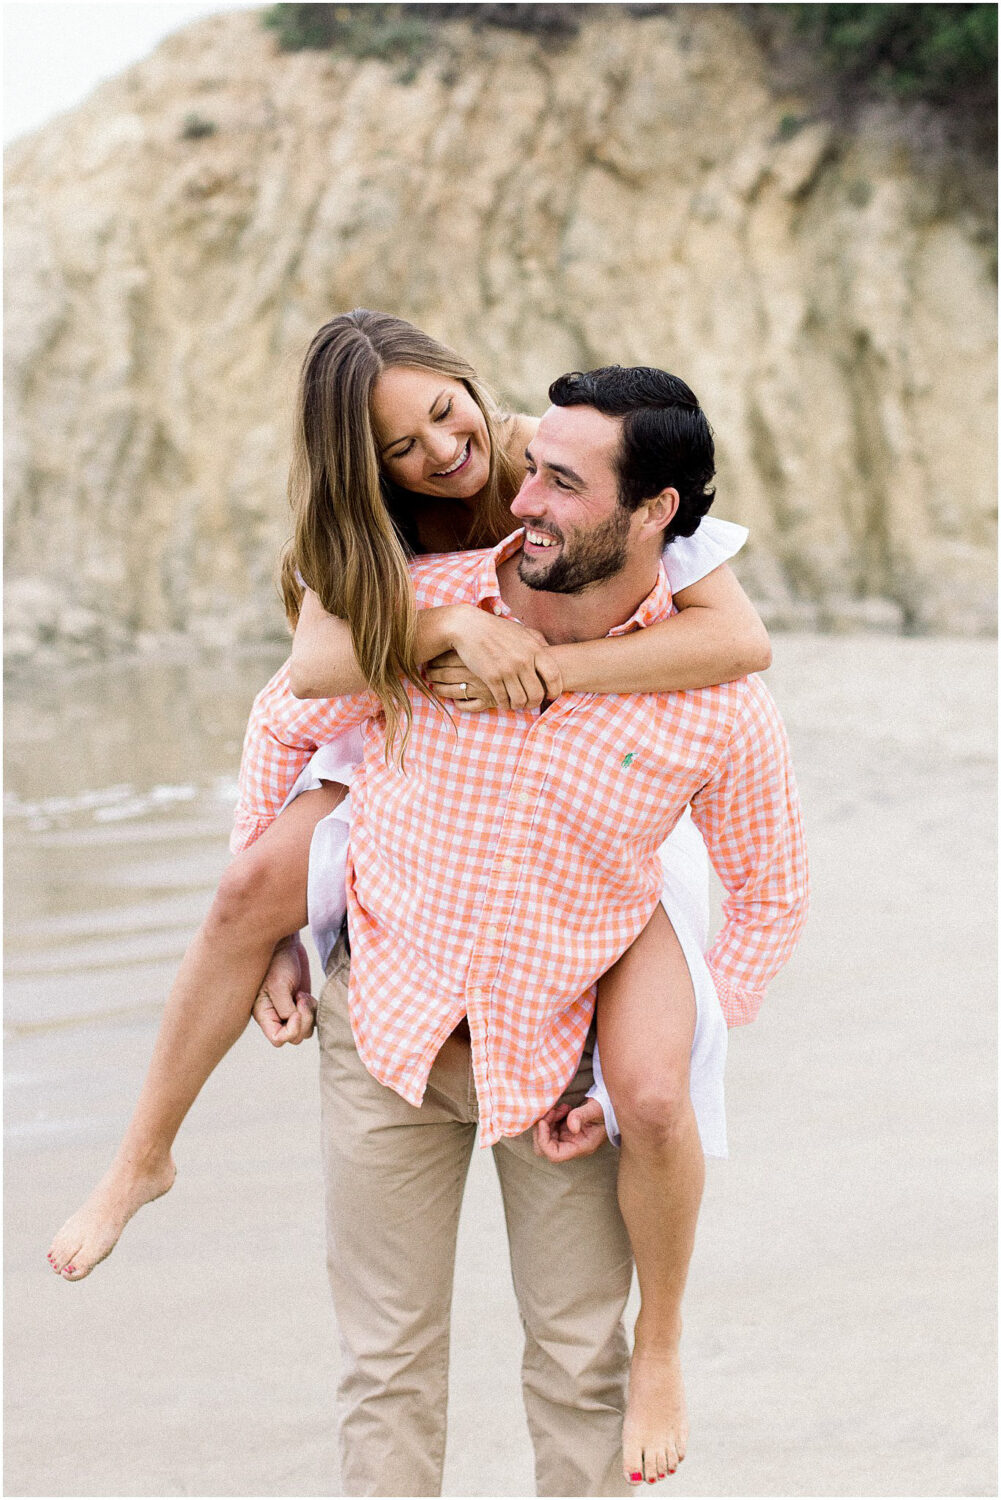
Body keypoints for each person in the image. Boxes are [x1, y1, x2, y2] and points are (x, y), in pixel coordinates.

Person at [48, 313, 770, 1485]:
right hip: (394, 735)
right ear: (365, 471)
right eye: (402, 446)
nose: (445, 451)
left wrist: (544, 670)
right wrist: (444, 629)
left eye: (446, 410)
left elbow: (736, 641)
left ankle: (661, 1349)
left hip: (569, 791)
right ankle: (141, 1156)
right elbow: (306, 687)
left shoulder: (560, 455)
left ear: (469, 385)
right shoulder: (375, 542)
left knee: (643, 1096)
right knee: (245, 893)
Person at [233, 361, 810, 1496]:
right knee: (385, 1371)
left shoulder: (712, 696)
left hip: (558, 1063)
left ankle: (662, 1356)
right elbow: (286, 712)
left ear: (652, 517)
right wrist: (279, 932)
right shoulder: (449, 601)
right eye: (528, 469)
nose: (519, 500)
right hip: (384, 1036)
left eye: (557, 483)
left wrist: (694, 1029)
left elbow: (770, 897)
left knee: (576, 1370)